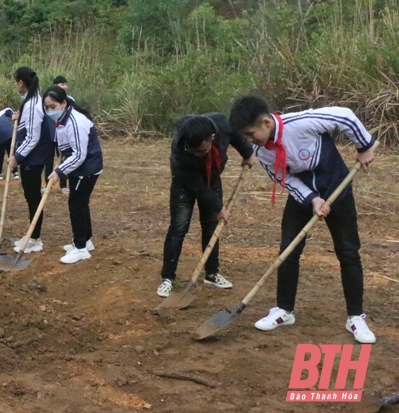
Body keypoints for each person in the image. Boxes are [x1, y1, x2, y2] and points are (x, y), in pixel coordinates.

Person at [229, 95, 377, 343]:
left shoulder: (302, 123)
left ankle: (355, 316)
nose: (248, 140)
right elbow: (283, 178)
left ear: (266, 123)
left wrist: (363, 147)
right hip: (303, 197)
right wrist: (311, 200)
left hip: (337, 187)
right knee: (288, 250)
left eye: (250, 133)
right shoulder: (260, 150)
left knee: (348, 252)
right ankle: (284, 310)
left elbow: (345, 115)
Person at [156, 113, 256, 297]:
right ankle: (167, 278)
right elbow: (198, 187)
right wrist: (219, 207)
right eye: (193, 151)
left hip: (213, 176)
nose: (197, 155)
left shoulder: (223, 124)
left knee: (211, 225)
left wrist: (248, 153)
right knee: (179, 226)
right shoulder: (180, 149)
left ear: (212, 138)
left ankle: (212, 273)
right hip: (185, 182)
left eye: (201, 151)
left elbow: (236, 135)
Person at [42, 86, 104, 264]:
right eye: (47, 108)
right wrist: (61, 164)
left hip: (87, 169)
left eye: (52, 107)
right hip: (79, 167)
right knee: (80, 203)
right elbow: (67, 148)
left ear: (63, 103)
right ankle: (86, 240)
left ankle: (80, 248)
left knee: (76, 204)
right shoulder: (61, 119)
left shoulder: (75, 122)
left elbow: (79, 155)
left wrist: (59, 172)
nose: (49, 111)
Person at [8, 67, 55, 253]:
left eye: (15, 82)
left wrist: (17, 157)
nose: (15, 86)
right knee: (30, 197)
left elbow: (32, 138)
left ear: (21, 82)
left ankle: (35, 239)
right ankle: (32, 235)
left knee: (33, 198)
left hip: (33, 159)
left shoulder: (34, 104)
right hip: (30, 157)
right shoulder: (30, 102)